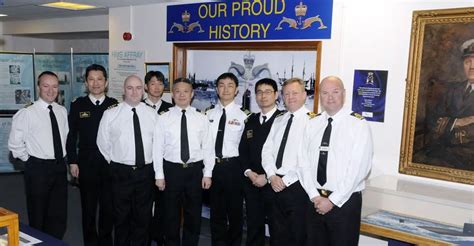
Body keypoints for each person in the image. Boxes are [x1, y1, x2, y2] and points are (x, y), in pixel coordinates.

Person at [298, 76, 373, 245]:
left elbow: (358, 169)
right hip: (314, 201)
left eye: (335, 92)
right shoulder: (312, 123)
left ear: (344, 94)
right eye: (325, 92)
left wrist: (332, 201)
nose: (330, 97)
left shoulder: (358, 125)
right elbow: (302, 163)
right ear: (319, 96)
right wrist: (314, 196)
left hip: (344, 203)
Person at [97, 75, 157, 246]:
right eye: (130, 88)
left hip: (145, 173)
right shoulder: (110, 114)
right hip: (120, 173)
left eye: (138, 88)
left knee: (143, 218)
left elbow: (158, 144)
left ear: (143, 90)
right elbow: (102, 143)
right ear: (123, 91)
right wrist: (117, 162)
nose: (134, 92)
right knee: (121, 218)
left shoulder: (153, 115)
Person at [153, 77, 214, 246]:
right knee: (170, 216)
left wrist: (207, 173)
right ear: (172, 95)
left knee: (193, 216)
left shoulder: (201, 118)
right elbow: (157, 148)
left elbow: (208, 148)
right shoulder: (163, 118)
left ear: (192, 94)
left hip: (194, 172)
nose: (181, 95)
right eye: (178, 91)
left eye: (185, 91)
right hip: (171, 171)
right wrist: (159, 175)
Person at [8, 71, 69, 239]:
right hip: (38, 168)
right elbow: (15, 144)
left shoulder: (62, 110)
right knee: (38, 215)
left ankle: (54, 242)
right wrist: (31, 161)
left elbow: (64, 137)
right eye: (46, 86)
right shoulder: (27, 113)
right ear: (38, 87)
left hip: (59, 167)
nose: (51, 90)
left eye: (55, 86)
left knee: (58, 215)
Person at [66, 64, 117, 246]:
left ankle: (105, 240)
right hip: (86, 163)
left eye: (100, 79)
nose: (96, 83)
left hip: (110, 162)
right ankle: (90, 242)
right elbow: (71, 136)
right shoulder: (78, 105)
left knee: (108, 206)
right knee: (88, 206)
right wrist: (72, 161)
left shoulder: (115, 105)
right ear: (86, 83)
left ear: (106, 82)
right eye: (91, 79)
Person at [261, 78, 312, 246]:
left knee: (297, 236)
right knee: (276, 235)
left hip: (297, 186)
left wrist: (285, 180)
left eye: (295, 93)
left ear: (304, 95)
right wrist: (271, 175)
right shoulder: (279, 119)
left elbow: (309, 158)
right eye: (286, 93)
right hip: (274, 184)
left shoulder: (313, 122)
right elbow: (267, 150)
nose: (290, 97)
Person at [206, 72, 250, 246]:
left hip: (234, 169)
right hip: (212, 168)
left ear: (236, 90)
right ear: (217, 89)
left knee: (235, 214)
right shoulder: (207, 113)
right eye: (222, 85)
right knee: (216, 213)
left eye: (230, 85)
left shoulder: (244, 115)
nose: (225, 89)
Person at [239, 78, 282, 246]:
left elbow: (286, 154)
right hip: (252, 182)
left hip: (274, 183)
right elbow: (243, 151)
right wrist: (249, 173)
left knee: (276, 229)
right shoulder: (251, 120)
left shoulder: (283, 120)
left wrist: (268, 176)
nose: (263, 96)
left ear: (276, 95)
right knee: (253, 227)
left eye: (268, 92)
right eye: (259, 92)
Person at [423, 39, 474, 171]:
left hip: (469, 156)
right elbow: (432, 120)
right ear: (463, 64)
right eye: (467, 62)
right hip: (441, 151)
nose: (471, 67)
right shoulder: (453, 89)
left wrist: (447, 125)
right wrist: (459, 122)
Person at [142, 70, 173, 246]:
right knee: (144, 205)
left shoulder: (170, 109)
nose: (156, 87)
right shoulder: (137, 107)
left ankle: (159, 237)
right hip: (144, 165)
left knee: (163, 204)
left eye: (160, 83)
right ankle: (144, 237)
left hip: (164, 166)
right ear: (146, 86)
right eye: (152, 83)